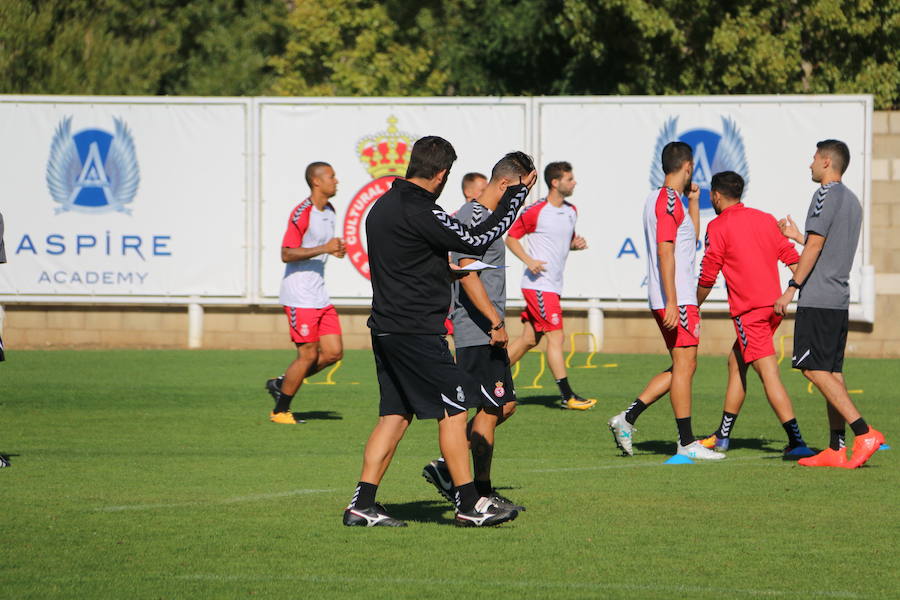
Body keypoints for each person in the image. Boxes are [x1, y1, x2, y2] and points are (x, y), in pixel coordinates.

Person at [343, 136, 536, 528]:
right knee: (455, 406)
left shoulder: (381, 207)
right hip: (416, 330)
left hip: (384, 327)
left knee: (394, 416)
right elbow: (477, 240)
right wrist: (517, 196)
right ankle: (469, 503)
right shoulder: (422, 210)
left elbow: (407, 263)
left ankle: (361, 504)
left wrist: (439, 272)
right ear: (442, 174)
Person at [422, 152, 535, 513]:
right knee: (490, 406)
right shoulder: (471, 217)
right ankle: (474, 488)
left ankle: (454, 472)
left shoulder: (488, 218)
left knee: (502, 404)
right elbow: (467, 272)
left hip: (486, 327)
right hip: (478, 331)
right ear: (504, 184)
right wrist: (495, 322)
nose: (520, 201)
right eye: (520, 192)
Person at [607, 142, 723, 460]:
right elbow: (665, 250)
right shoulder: (667, 200)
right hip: (677, 298)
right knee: (685, 366)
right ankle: (686, 443)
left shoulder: (669, 200)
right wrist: (673, 301)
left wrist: (695, 202)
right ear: (688, 166)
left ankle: (627, 418)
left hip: (677, 297)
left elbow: (687, 241)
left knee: (684, 365)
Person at [775, 140, 885, 468]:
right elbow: (823, 244)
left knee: (811, 367)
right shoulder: (851, 200)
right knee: (832, 372)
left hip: (819, 296)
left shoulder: (825, 194)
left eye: (813, 158)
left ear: (826, 162)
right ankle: (836, 449)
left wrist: (792, 287)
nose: (809, 164)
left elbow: (817, 246)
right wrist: (799, 237)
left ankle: (863, 432)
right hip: (837, 298)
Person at [692, 171, 814, 458]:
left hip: (750, 315)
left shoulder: (718, 226)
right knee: (736, 363)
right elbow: (794, 260)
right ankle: (722, 436)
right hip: (772, 310)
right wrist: (797, 292)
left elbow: (708, 274)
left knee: (769, 375)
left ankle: (797, 441)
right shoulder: (764, 219)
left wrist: (693, 306)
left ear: (716, 196)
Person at [505, 161, 594, 410]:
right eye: (569, 178)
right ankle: (568, 396)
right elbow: (510, 238)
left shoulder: (571, 210)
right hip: (539, 286)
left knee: (528, 340)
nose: (574, 182)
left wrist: (573, 246)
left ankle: (485, 378)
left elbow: (559, 244)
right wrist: (529, 261)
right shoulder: (536, 210)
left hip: (553, 285)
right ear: (555, 183)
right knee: (556, 336)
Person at [265, 162, 346, 424]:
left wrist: (334, 250)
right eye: (332, 177)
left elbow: (320, 247)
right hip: (299, 295)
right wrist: (325, 248)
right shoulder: (302, 213)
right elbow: (286, 253)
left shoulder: (331, 210)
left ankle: (282, 383)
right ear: (316, 182)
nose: (337, 181)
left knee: (333, 352)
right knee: (308, 354)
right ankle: (280, 411)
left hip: (319, 294)